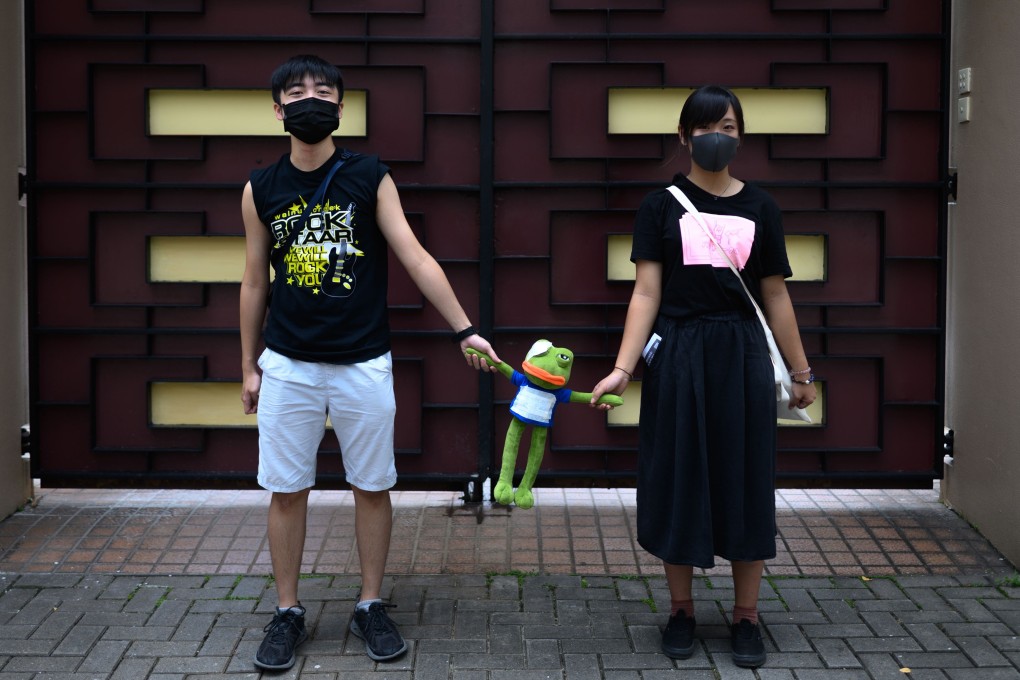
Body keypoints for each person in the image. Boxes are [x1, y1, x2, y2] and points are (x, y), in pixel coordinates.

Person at [239, 54, 499, 671]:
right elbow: (254, 281)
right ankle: (287, 613)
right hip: (288, 364)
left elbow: (414, 254)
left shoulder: (370, 176)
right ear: (277, 110)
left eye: (322, 91)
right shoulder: (260, 187)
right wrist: (249, 365)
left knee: (373, 486)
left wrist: (465, 328)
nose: (310, 100)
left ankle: (370, 604)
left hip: (363, 362)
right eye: (296, 93)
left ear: (340, 107)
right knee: (285, 490)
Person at [589, 85, 816, 668]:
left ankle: (746, 616)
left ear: (742, 137)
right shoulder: (660, 205)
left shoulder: (761, 207)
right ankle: (682, 609)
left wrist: (801, 370)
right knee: (678, 476)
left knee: (744, 478)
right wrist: (622, 368)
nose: (721, 137)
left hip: (740, 357)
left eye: (732, 127)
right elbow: (645, 292)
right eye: (710, 126)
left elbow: (775, 296)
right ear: (685, 136)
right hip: (680, 355)